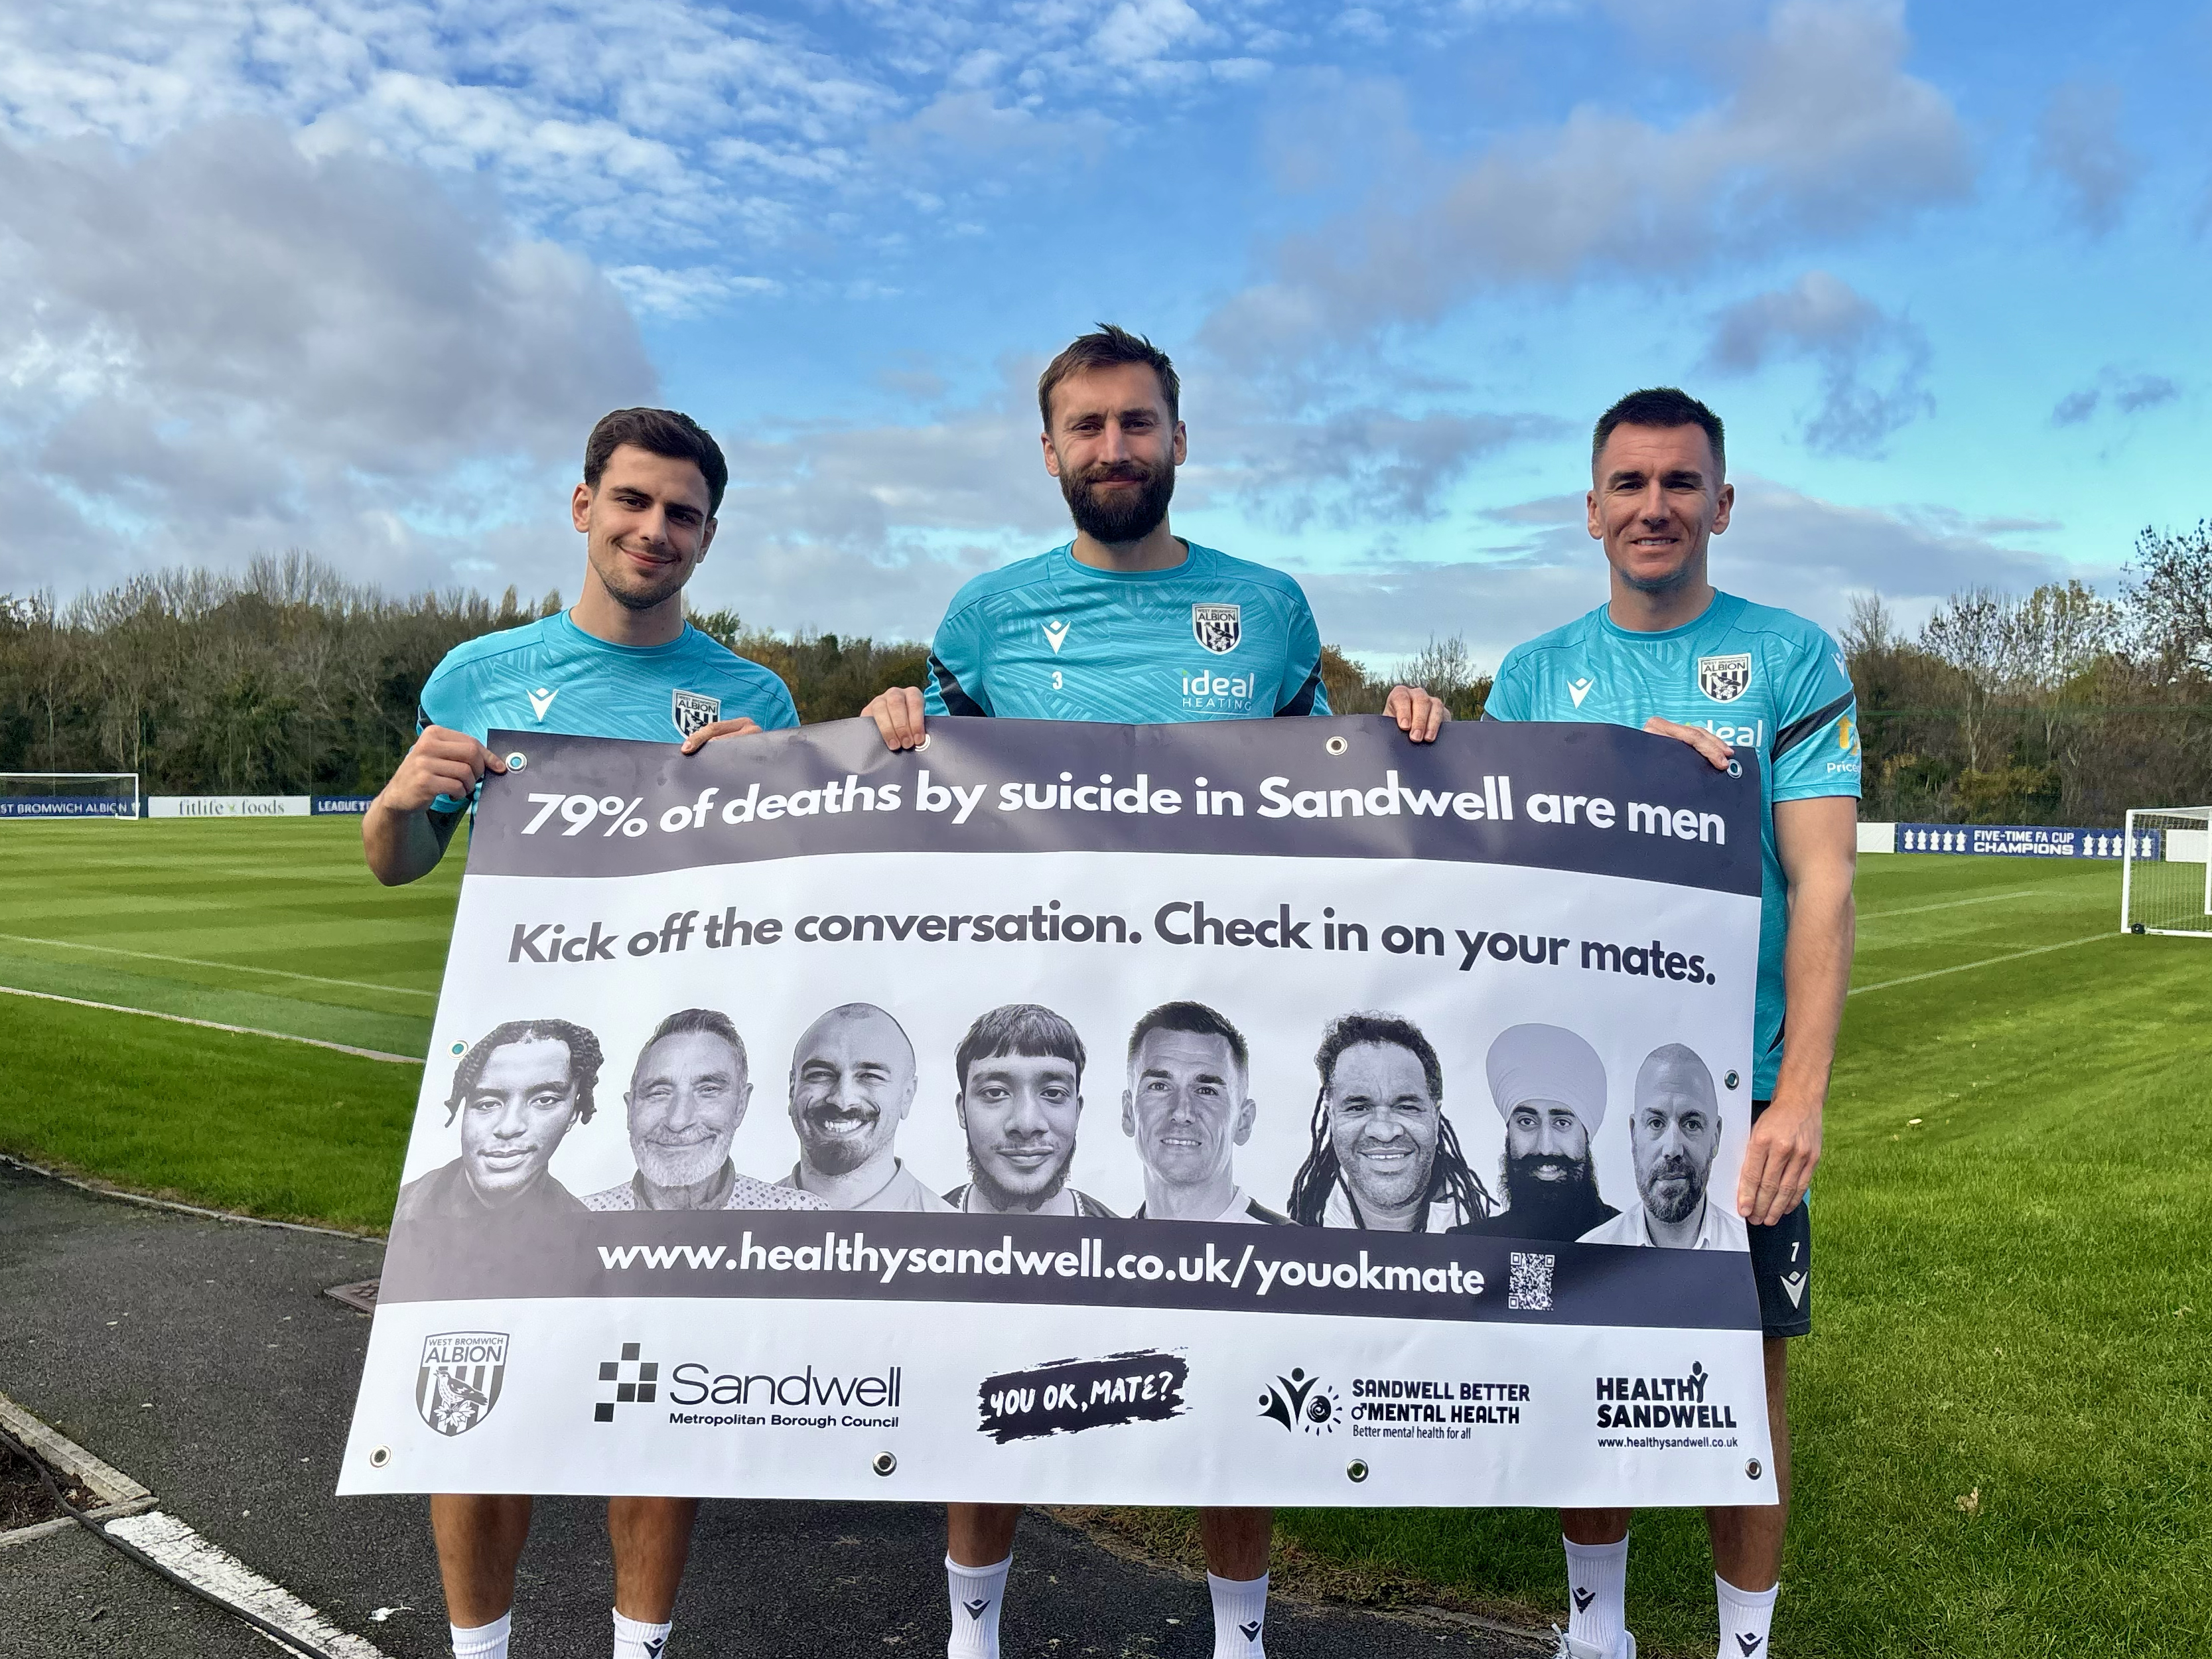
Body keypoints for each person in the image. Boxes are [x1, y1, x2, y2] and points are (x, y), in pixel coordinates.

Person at [858, 325, 1450, 1659]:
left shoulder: (1267, 606)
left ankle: (1238, 1637)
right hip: (1047, 1014)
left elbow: (1333, 790)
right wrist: (894, 726)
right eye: (1087, 425)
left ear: (1179, 439)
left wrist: (1405, 735)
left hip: (1215, 1004)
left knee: (1227, 1337)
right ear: (1048, 450)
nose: (1113, 446)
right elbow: (928, 799)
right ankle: (971, 1634)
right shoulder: (985, 615)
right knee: (1003, 1336)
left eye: (1136, 422)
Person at [364, 407, 799, 1659]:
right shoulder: (479, 675)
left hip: (665, 1092)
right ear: (583, 507)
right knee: (476, 1396)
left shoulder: (754, 695)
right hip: (519, 1078)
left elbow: (783, 894)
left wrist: (775, 784)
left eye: (682, 514)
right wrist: (398, 801)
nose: (654, 530)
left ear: (708, 537)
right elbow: (398, 861)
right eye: (632, 501)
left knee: (655, 1400)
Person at [1483, 387, 1858, 1659]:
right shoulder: (1532, 675)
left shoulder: (1791, 658)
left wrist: (1796, 1097)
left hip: (1730, 1090)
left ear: (1721, 504)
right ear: (1589, 510)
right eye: (1629, 484)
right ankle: (1594, 1632)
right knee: (1586, 1361)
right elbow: (1498, 876)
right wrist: (1617, 772)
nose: (1654, 506)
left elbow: (1822, 883)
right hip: (1591, 1088)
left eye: (1679, 483)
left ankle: (1742, 1645)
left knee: (1742, 1378)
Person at [583, 1009, 828, 1212]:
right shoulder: (580, 1219)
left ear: (740, 1105)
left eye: (708, 1090)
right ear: (631, 1110)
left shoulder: (800, 1216)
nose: (678, 1121)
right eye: (658, 1092)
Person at [1286, 1012, 1494, 1230]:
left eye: (1406, 1107)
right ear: (1332, 1116)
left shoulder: (1497, 1240)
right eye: (1358, 1108)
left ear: (1435, 1116)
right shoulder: (1291, 1240)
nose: (1385, 1132)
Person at [395, 1020, 602, 1227]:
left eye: (544, 1100)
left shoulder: (583, 1228)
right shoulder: (407, 1208)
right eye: (488, 1104)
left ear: (573, 1115)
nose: (508, 1128)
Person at [941, 1003, 1113, 1218]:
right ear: (962, 1111)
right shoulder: (913, 1232)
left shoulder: (1123, 1238)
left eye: (1053, 1093)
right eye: (995, 1092)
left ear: (1077, 1112)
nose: (1026, 1124)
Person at [1121, 1001, 1286, 1223]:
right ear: (1129, 1113)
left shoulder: (1297, 1245)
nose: (1182, 1113)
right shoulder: (1102, 1245)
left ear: (1243, 1122)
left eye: (1206, 1091)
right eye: (1159, 1086)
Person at [1452, 1023, 1617, 1242]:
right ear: (1509, 1132)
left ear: (1586, 1134)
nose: (1545, 1147)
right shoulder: (1469, 1244)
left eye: (1562, 1123)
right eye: (1527, 1121)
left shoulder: (1629, 1242)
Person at [779, 1003, 951, 1210]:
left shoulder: (952, 1228)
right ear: (792, 1090)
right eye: (820, 1074)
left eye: (870, 1076)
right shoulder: (747, 1215)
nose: (842, 1100)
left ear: (907, 1096)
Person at [1579, 1045, 1748, 1252]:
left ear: (1715, 1137)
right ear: (1634, 1134)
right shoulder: (1591, 1254)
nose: (1672, 1148)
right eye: (1656, 1123)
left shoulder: (1748, 1256)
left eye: (1691, 1124)